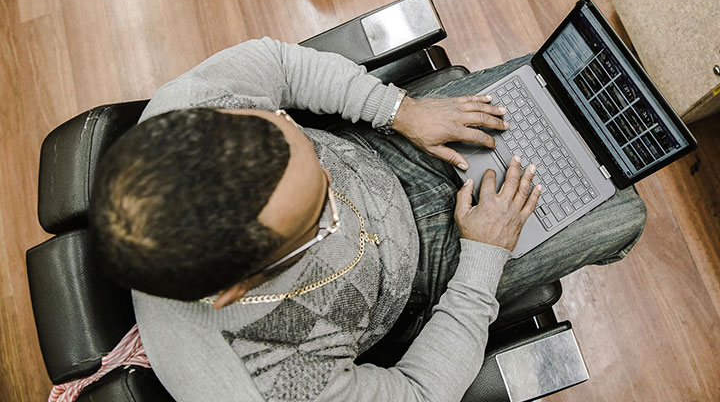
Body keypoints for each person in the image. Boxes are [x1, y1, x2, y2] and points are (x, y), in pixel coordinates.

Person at [89, 37, 646, 402]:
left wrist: (401, 112)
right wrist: (483, 256)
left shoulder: (192, 106)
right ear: (238, 287)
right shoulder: (276, 380)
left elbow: (283, 65)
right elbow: (422, 392)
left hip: (388, 145)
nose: (337, 194)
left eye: (294, 137)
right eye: (320, 213)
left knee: (570, 87)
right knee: (623, 211)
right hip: (424, 279)